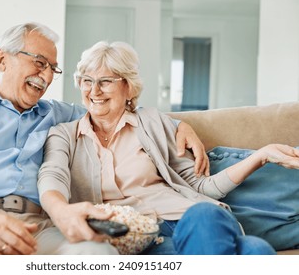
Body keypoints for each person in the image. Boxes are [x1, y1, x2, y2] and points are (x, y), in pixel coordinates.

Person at [0, 22, 207, 255]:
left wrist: (178, 125)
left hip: (37, 227)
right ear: (2, 59)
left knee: (97, 254)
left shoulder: (57, 114)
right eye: (39, 63)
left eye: (52, 68)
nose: (47, 76)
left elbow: (112, 106)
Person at [38, 40, 299, 255]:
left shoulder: (152, 123)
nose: (94, 90)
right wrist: (60, 210)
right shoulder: (64, 135)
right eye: (86, 80)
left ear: (128, 87)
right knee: (255, 250)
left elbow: (201, 187)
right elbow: (53, 175)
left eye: (105, 81)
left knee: (205, 214)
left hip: (192, 221)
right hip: (140, 241)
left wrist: (261, 156)